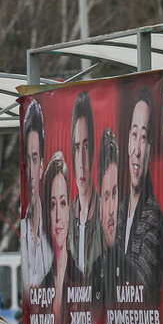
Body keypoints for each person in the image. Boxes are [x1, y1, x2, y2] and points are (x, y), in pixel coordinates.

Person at [118, 86, 163, 303]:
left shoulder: (153, 219)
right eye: (134, 134)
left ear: (151, 148)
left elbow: (141, 292)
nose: (137, 150)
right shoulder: (119, 213)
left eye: (144, 137)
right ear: (128, 139)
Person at [40, 151, 85, 324]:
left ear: (70, 209)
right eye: (52, 205)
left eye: (63, 203)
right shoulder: (41, 285)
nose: (58, 215)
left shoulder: (81, 282)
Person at [89, 128, 122, 304]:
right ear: (99, 202)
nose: (111, 210)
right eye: (107, 196)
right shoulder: (92, 270)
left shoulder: (131, 271)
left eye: (115, 194)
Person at [21, 100, 52, 287]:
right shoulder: (23, 230)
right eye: (27, 159)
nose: (31, 173)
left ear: (41, 166)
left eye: (34, 159)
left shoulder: (56, 233)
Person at [70, 91, 101, 276]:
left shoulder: (104, 216)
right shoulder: (65, 221)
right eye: (76, 147)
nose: (81, 161)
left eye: (86, 146)